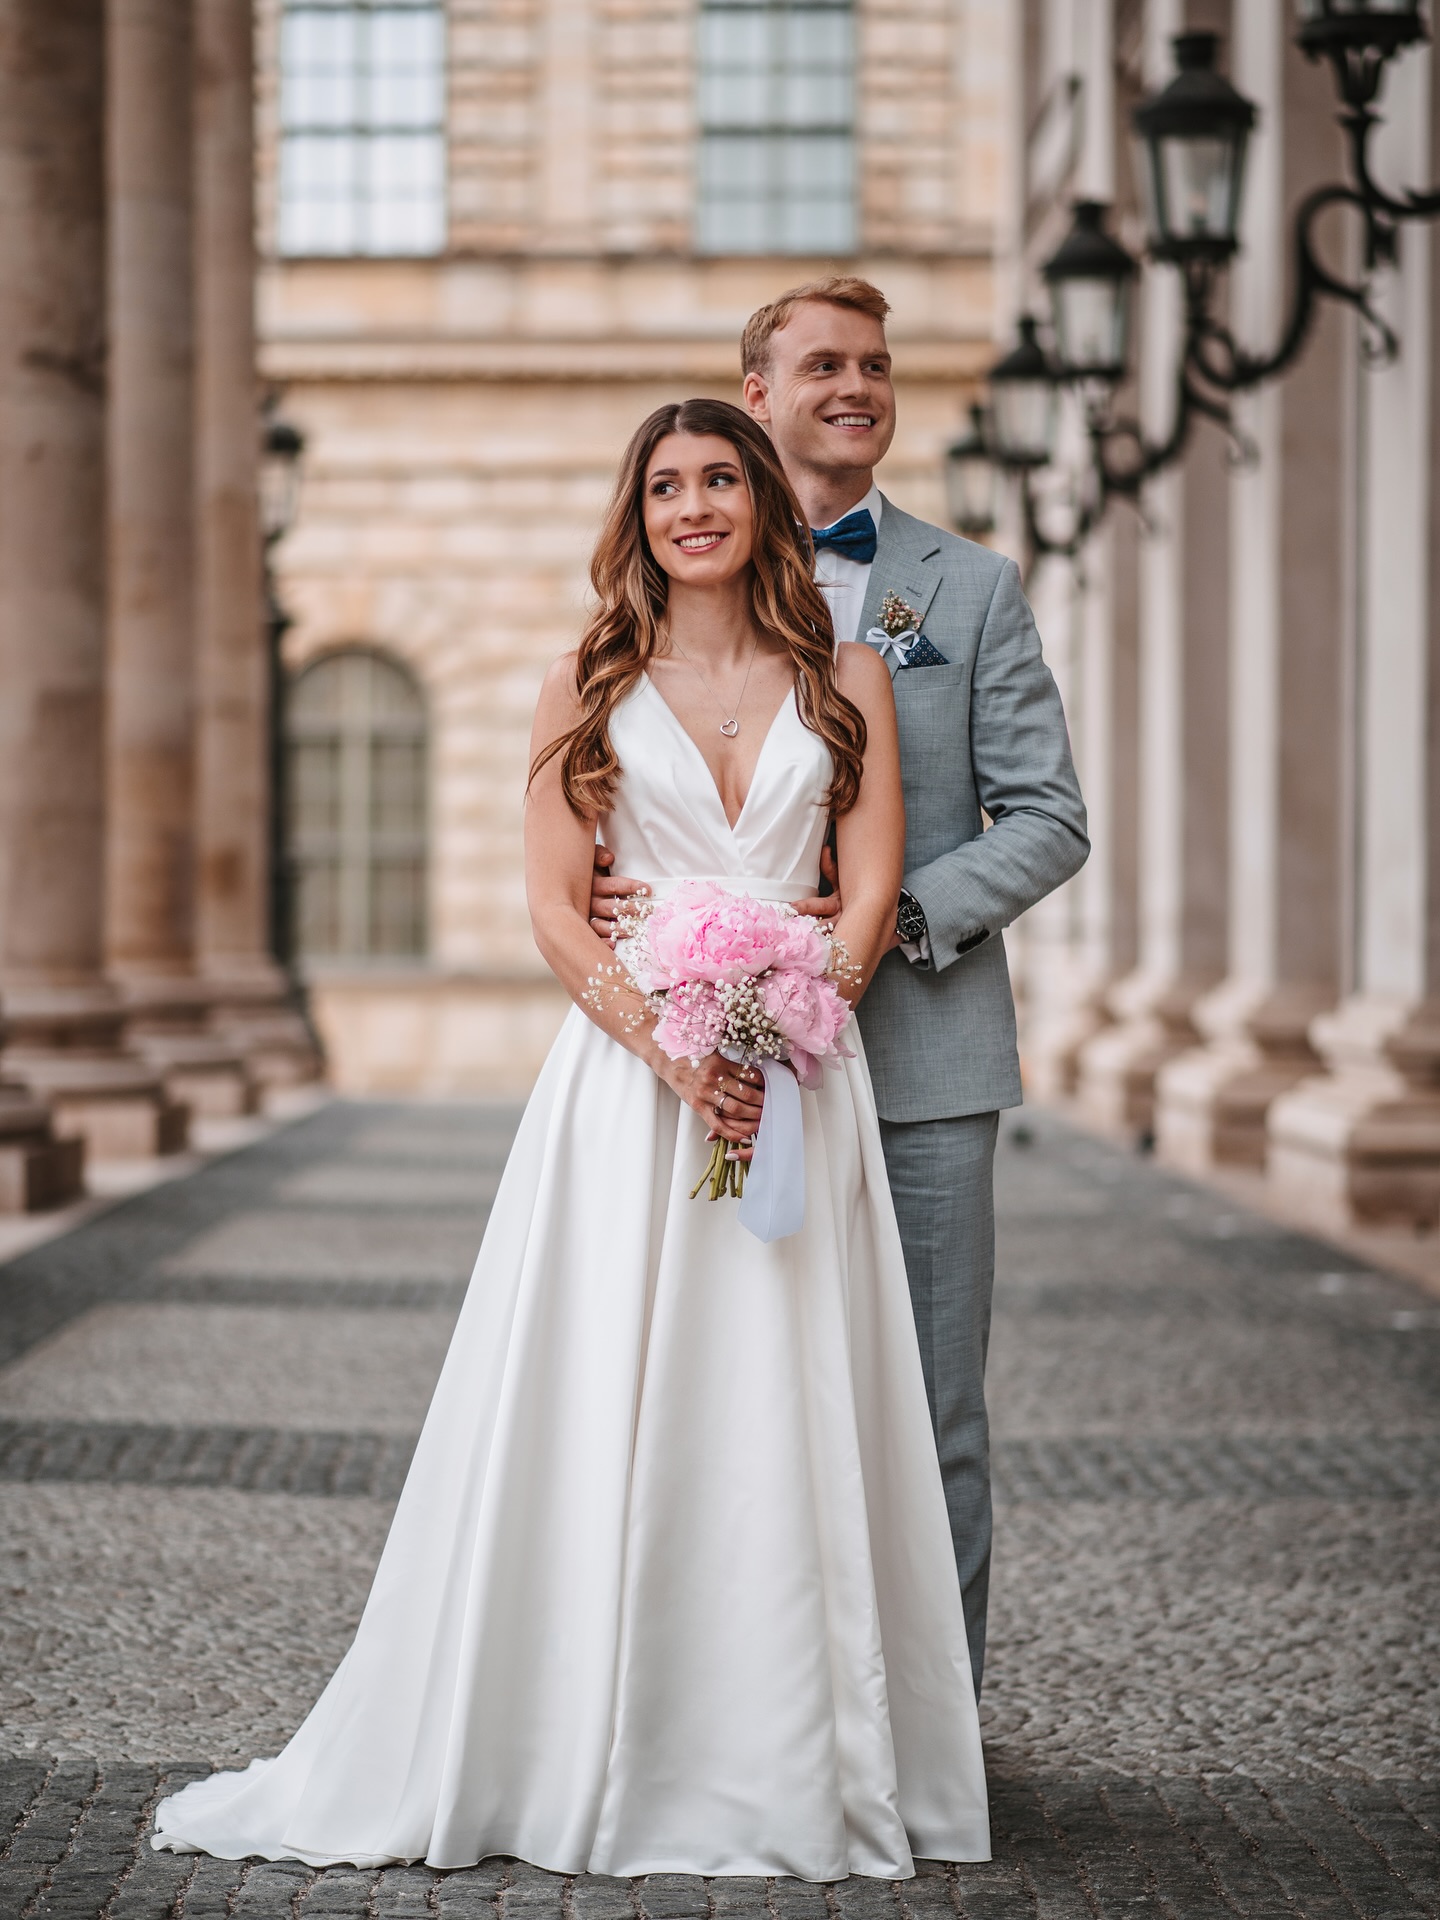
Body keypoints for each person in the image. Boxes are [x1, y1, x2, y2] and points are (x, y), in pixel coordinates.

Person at [150, 398, 990, 1879]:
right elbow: (554, 907)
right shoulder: (585, 683)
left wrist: (797, 1016)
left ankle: (803, 1742)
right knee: (613, 1386)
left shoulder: (845, 671)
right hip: (628, 1092)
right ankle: (584, 1731)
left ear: (762, 501)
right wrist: (680, 1053)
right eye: (666, 486)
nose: (695, 507)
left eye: (721, 478)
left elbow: (865, 884)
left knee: (794, 1400)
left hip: (804, 1074)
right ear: (637, 515)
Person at [591, 280, 1089, 1694]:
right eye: (823, 363)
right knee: (727, 1403)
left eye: (876, 363)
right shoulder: (671, 580)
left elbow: (1051, 817)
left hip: (921, 1057)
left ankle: (932, 1731)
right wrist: (650, 913)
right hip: (709, 1065)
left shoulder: (971, 588)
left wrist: (885, 926)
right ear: (757, 395)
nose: (856, 384)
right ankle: (741, 1709)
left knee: (929, 1413)